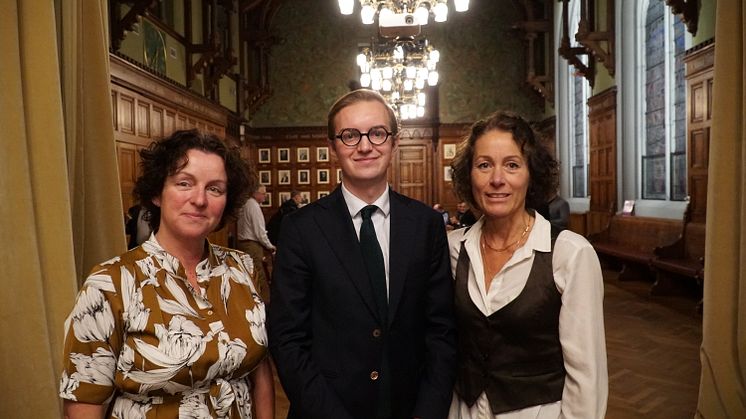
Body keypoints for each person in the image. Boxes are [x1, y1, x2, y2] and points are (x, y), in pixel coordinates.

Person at [268, 89, 457, 419]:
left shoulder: (425, 224)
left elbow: (441, 331)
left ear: (394, 143)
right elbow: (288, 339)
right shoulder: (301, 229)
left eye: (377, 133)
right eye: (350, 135)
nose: (365, 146)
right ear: (333, 147)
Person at [59, 129, 274, 418]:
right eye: (184, 183)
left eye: (215, 189)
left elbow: (259, 371)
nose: (199, 199)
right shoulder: (110, 283)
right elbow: (85, 400)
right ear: (157, 193)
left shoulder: (242, 268)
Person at [447, 111, 607, 418]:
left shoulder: (570, 254)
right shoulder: (454, 248)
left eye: (512, 165)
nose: (496, 179)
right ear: (470, 175)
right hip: (463, 410)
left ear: (531, 173)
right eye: (484, 165)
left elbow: (588, 374)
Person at [237, 184, 275, 303]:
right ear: (255, 193)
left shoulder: (247, 204)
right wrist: (270, 246)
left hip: (244, 244)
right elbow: (259, 231)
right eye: (263, 193)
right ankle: (264, 306)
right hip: (252, 245)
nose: (265, 196)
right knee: (258, 276)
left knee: (249, 275)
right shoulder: (253, 206)